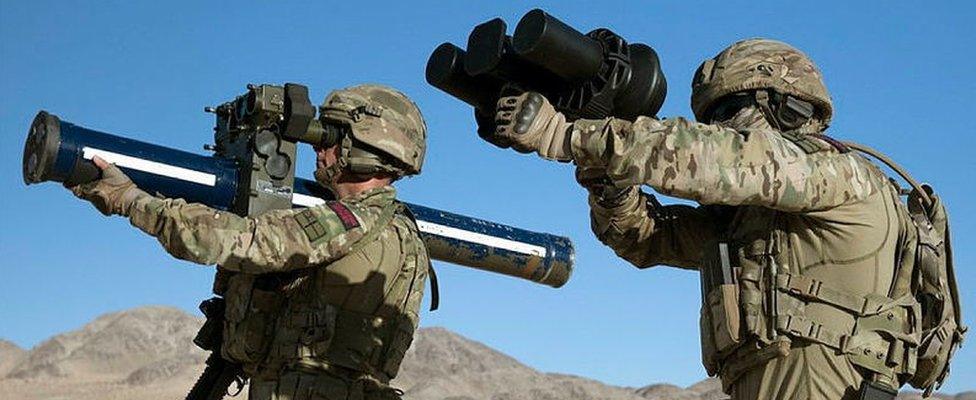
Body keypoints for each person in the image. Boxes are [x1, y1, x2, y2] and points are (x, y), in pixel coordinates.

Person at [486, 39, 921, 399]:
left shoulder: (843, 178)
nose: (719, 128)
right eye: (710, 120)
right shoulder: (755, 225)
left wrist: (567, 135)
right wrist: (606, 177)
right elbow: (644, 237)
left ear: (787, 109)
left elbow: (718, 160)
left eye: (727, 113)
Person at [69, 84, 430, 400]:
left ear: (364, 145)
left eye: (334, 137)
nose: (320, 149)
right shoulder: (399, 229)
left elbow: (233, 241)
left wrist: (131, 200)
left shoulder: (350, 223)